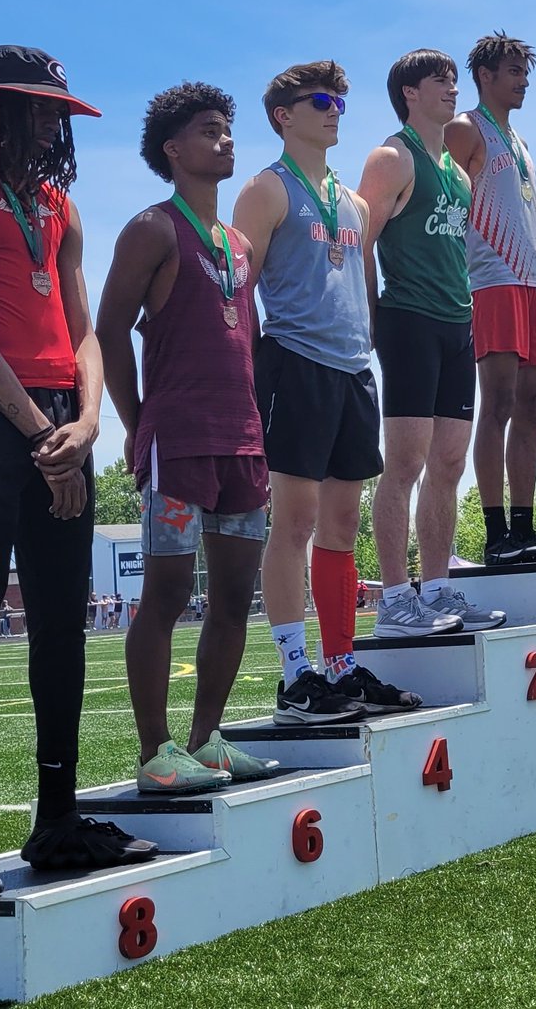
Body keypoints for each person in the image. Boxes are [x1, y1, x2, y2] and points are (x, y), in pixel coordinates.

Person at [0, 45, 156, 900]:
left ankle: (56, 819)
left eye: (58, 110)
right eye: (38, 109)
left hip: (60, 422)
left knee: (60, 624)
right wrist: (40, 432)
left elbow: (86, 333)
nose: (53, 124)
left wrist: (85, 425)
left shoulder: (60, 205)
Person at [97, 83, 280, 793]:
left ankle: (206, 741)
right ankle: (155, 754)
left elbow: (247, 341)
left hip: (242, 443)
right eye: (210, 130)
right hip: (177, 439)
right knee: (168, 592)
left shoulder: (238, 244)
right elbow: (109, 330)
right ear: (174, 150)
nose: (226, 139)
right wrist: (136, 421)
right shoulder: (151, 228)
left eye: (229, 129)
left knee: (236, 596)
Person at [234, 61, 421, 723]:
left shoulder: (354, 199)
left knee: (343, 525)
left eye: (340, 99)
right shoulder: (264, 190)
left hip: (350, 370)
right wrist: (250, 372)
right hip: (295, 363)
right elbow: (237, 288)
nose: (336, 108)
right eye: (321, 99)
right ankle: (294, 675)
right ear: (284, 115)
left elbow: (361, 282)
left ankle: (340, 666)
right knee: (297, 522)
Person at [358, 49, 503, 635]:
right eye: (438, 81)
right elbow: (358, 245)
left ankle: (438, 589)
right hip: (408, 319)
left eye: (453, 80)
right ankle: (395, 598)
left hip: (455, 323)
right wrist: (369, 320)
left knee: (449, 462)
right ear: (409, 93)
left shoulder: (460, 173)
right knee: (406, 463)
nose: (451, 89)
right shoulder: (392, 158)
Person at [444, 33, 536, 565]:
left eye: (526, 72)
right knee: (496, 403)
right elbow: (447, 205)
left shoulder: (518, 139)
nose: (523, 81)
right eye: (514, 71)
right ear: (485, 76)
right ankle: (496, 532)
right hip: (493, 279)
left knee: (531, 406)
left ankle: (524, 527)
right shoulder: (465, 128)